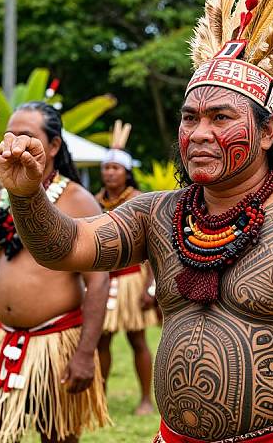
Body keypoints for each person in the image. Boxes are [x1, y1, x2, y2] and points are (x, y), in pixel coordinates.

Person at [0, 0, 273, 443]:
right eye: (189, 118)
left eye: (221, 118)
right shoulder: (157, 214)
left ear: (266, 133)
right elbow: (65, 248)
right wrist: (27, 196)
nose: (199, 133)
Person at [0, 102, 110, 443]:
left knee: (56, 436)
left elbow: (98, 282)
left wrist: (86, 353)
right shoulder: (1, 200)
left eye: (25, 136)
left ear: (53, 146)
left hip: (56, 343)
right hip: (5, 338)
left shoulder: (77, 200)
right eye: (9, 135)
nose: (14, 144)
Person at [96, 120, 158, 415]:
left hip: (134, 279)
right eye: (106, 168)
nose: (110, 173)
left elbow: (154, 247)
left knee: (137, 340)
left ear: (126, 172)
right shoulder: (95, 202)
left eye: (115, 168)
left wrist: (151, 286)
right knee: (101, 340)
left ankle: (146, 399)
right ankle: (102, 396)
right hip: (105, 282)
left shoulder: (139, 201)